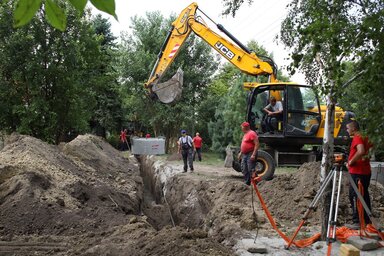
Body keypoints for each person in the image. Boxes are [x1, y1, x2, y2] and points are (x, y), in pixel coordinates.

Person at [346, 120, 373, 229]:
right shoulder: (366, 137)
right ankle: (367, 220)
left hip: (357, 172)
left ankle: (357, 221)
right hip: (366, 171)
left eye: (348, 128)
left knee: (354, 195)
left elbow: (361, 151)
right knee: (364, 195)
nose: (347, 131)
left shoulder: (357, 137)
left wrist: (351, 161)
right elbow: (370, 149)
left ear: (353, 128)